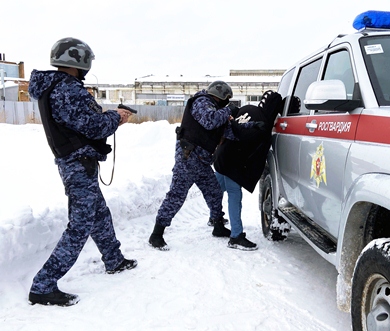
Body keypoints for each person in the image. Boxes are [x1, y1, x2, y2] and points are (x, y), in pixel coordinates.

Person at [27, 37, 137, 307]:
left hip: (76, 162)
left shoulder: (54, 86)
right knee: (80, 225)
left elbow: (81, 122)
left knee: (98, 213)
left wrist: (107, 116)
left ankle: (113, 259)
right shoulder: (67, 89)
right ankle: (43, 285)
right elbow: (94, 127)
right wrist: (116, 118)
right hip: (78, 164)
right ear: (79, 62)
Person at [149, 81, 240, 250]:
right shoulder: (202, 102)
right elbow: (209, 121)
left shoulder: (216, 109)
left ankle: (218, 225)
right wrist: (228, 111)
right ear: (220, 96)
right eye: (226, 100)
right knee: (176, 196)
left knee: (214, 192)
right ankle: (156, 234)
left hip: (202, 161)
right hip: (188, 159)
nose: (226, 103)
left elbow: (228, 132)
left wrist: (251, 128)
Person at [213, 90, 284, 250]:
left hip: (222, 156)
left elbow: (234, 121)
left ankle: (216, 221)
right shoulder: (263, 123)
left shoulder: (248, 108)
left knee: (217, 190)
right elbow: (250, 144)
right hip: (232, 162)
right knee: (234, 195)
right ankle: (236, 236)